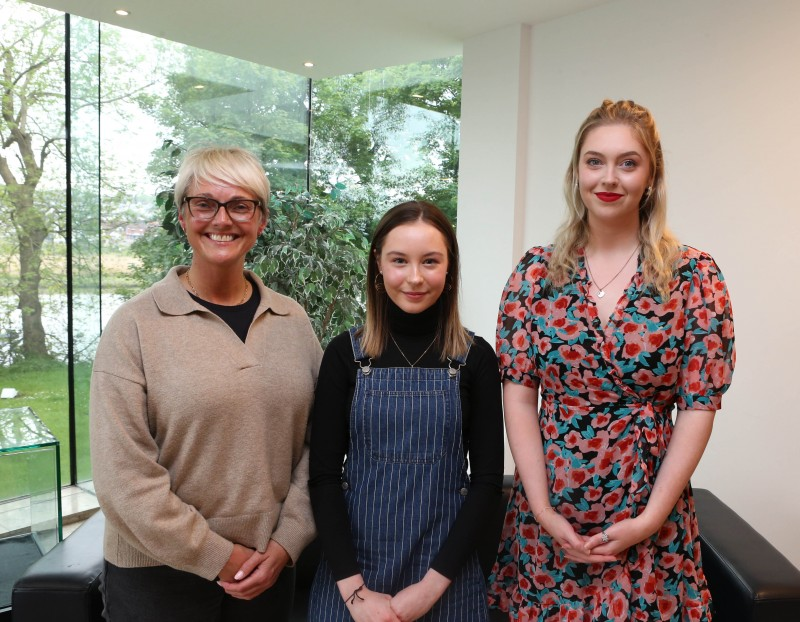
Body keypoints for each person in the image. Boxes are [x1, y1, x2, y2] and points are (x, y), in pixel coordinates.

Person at [487, 100, 735, 621]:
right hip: (549, 518)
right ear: (576, 171)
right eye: (594, 161)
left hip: (648, 517)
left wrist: (648, 520)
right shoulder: (534, 275)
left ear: (651, 176)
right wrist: (543, 509)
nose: (609, 178)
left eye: (628, 162)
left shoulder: (694, 277)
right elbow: (518, 393)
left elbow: (699, 406)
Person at [90, 146, 322, 621]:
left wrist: (287, 542)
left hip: (267, 570)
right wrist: (219, 557)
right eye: (204, 203)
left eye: (241, 205)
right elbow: (123, 477)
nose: (223, 219)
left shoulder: (292, 320)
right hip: (155, 578)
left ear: (260, 221)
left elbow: (321, 445)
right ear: (182, 215)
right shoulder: (134, 326)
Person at [307, 200, 504, 621]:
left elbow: (486, 482)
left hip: (446, 578)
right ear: (378, 264)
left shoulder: (475, 358)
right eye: (400, 261)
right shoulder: (345, 355)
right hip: (352, 577)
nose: (415, 277)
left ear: (449, 269)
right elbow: (322, 477)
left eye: (430, 261)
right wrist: (355, 593)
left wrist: (430, 588)